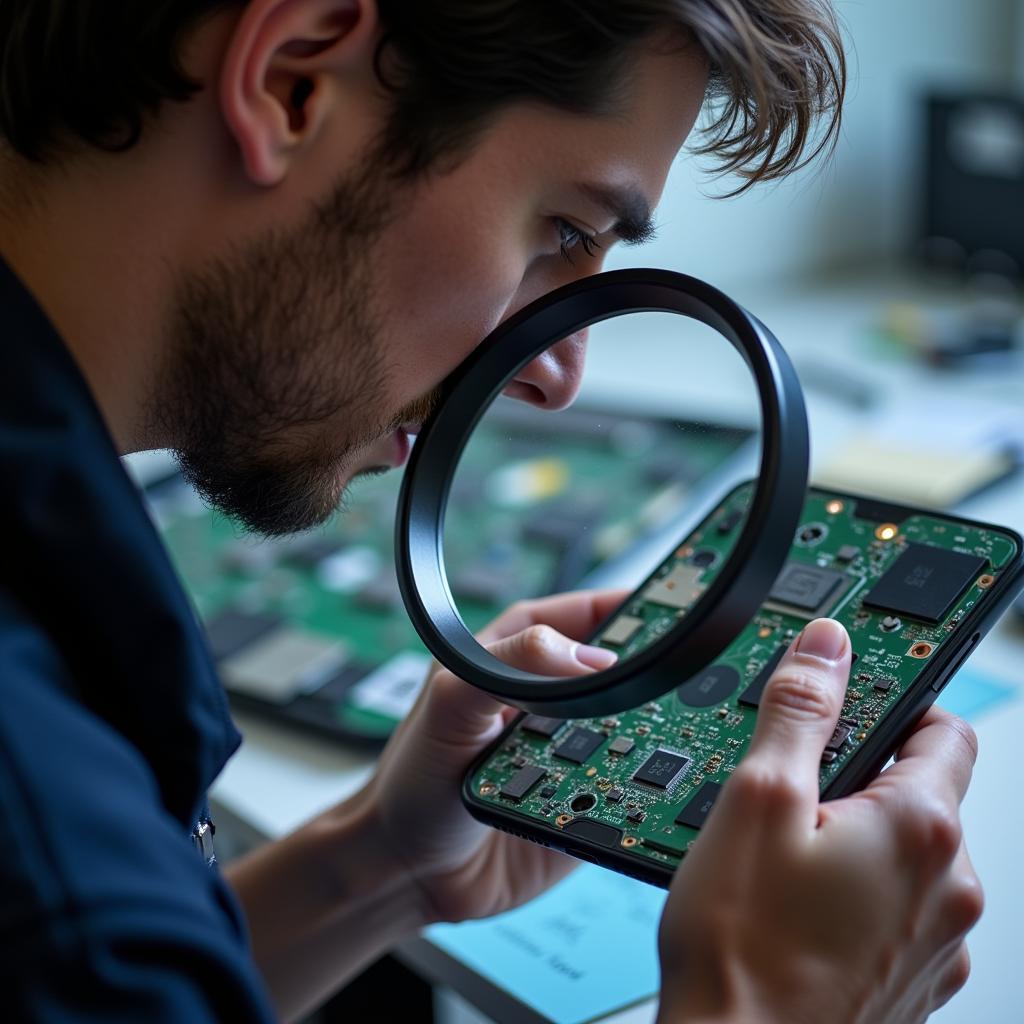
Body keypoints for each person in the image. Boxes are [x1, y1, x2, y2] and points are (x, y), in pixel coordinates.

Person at [0, 2, 982, 1021]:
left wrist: (382, 863)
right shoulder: (42, 821)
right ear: (291, 82)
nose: (559, 375)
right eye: (562, 230)